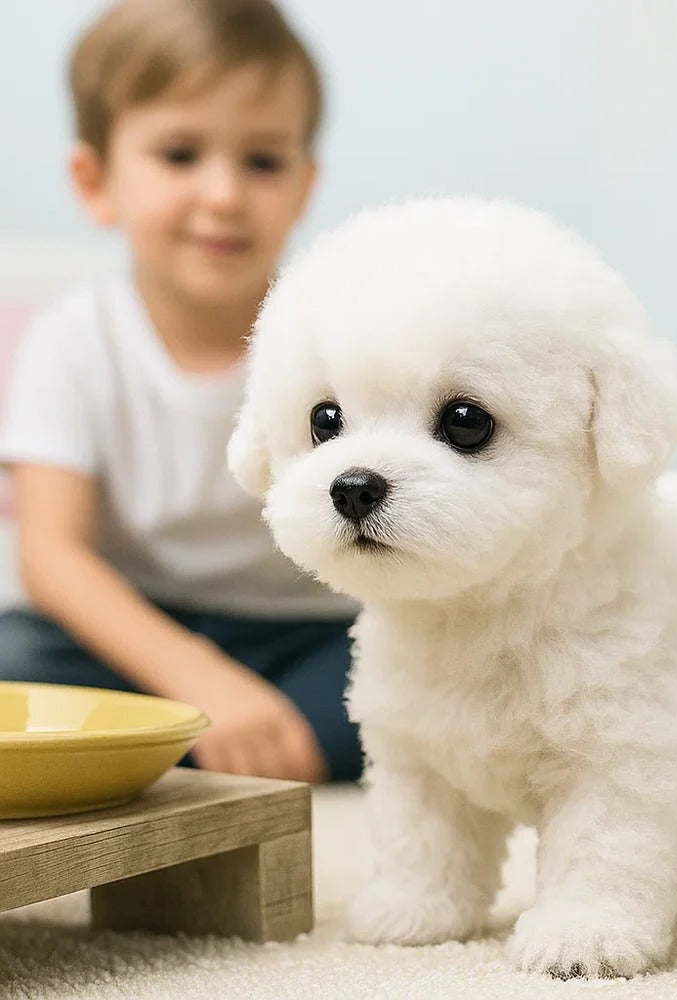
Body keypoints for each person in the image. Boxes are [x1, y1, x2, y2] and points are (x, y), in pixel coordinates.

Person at [0, 0, 363, 784]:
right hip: (137, 629)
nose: (225, 194)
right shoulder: (74, 340)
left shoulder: (335, 334)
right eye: (179, 154)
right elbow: (51, 556)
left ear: (303, 186)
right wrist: (197, 675)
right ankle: (218, 740)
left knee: (413, 679)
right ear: (96, 182)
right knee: (14, 657)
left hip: (310, 630)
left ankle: (214, 747)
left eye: (262, 162)